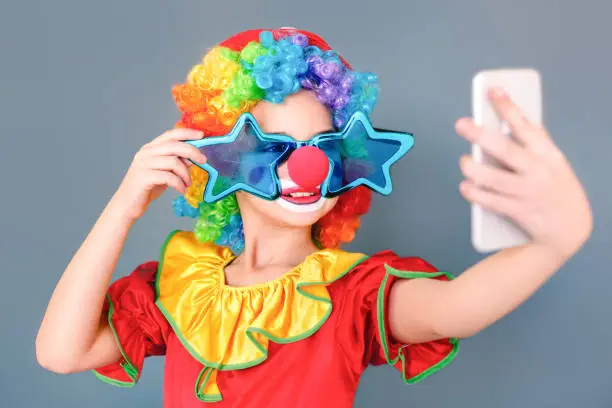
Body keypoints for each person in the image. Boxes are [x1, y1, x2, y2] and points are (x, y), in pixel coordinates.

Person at [35, 27, 593, 408]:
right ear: (218, 157)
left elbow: (456, 310)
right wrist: (123, 208)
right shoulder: (180, 289)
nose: (303, 167)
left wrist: (555, 242)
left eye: (321, 146)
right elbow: (62, 352)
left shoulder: (351, 295)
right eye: (271, 146)